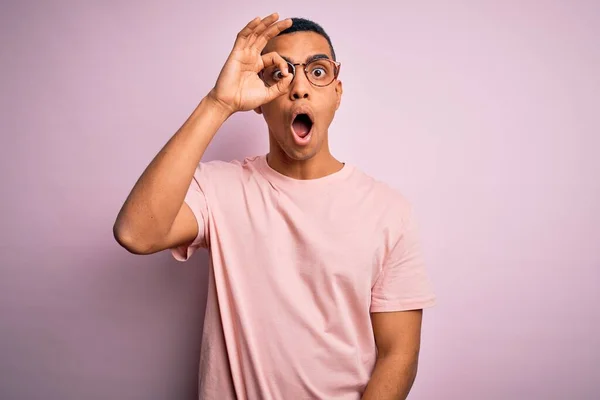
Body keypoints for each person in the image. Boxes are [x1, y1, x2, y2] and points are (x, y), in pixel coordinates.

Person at [113, 13, 436, 400]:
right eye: (280, 74)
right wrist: (218, 102)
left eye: (318, 72)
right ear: (259, 101)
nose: (299, 87)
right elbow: (136, 233)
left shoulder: (388, 211)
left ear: (338, 93)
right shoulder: (218, 188)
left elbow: (399, 353)